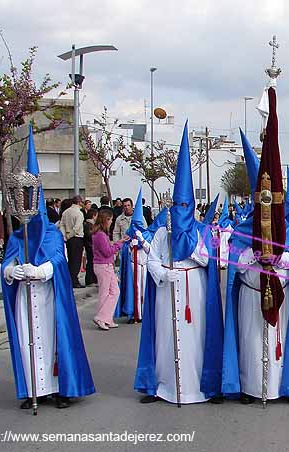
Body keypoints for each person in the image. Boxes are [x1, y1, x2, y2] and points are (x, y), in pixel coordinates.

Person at [222, 99, 289, 406]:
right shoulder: (241, 227)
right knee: (249, 341)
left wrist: (280, 258)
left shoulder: (287, 227)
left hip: (280, 291)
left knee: (279, 340)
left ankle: (278, 387)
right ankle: (250, 388)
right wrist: (253, 258)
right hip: (250, 294)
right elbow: (232, 258)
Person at [1, 126, 94, 410]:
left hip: (47, 295)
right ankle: (34, 389)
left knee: (54, 339)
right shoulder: (18, 235)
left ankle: (58, 388)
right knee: (28, 339)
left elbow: (57, 260)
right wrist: (11, 272)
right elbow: (8, 261)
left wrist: (38, 272)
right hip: (25, 298)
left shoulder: (53, 233)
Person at [134, 122, 223, 405]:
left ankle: (200, 385)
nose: (183, 209)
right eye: (178, 205)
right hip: (167, 287)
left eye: (187, 205)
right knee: (165, 335)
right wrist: (164, 272)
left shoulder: (202, 230)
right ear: (172, 205)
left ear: (193, 207)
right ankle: (163, 386)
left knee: (197, 336)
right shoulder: (163, 232)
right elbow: (151, 260)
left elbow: (210, 258)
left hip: (194, 287)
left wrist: (194, 250)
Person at [116, 189, 159, 324]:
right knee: (133, 288)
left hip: (144, 264)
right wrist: (127, 245)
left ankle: (145, 312)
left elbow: (149, 249)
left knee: (144, 288)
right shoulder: (121, 223)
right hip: (133, 265)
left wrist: (141, 240)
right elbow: (119, 237)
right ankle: (134, 312)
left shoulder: (146, 234)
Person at [91, 210, 129, 330]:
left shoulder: (99, 234)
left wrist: (119, 242)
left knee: (115, 292)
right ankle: (101, 317)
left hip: (105, 265)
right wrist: (118, 245)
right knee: (105, 293)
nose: (111, 222)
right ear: (105, 220)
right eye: (110, 219)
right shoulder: (101, 235)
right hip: (103, 266)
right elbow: (107, 251)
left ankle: (106, 317)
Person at [59, 196, 85, 288]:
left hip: (68, 239)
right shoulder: (79, 213)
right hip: (76, 238)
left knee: (70, 259)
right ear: (79, 202)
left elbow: (61, 224)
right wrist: (70, 235)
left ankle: (70, 279)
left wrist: (65, 236)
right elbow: (77, 227)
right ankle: (74, 280)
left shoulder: (65, 212)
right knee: (76, 261)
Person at [83, 208, 98, 287]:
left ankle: (93, 279)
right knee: (90, 263)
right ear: (93, 216)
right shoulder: (89, 225)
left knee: (92, 262)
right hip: (90, 246)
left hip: (91, 245)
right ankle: (89, 280)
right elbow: (89, 235)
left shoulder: (89, 224)